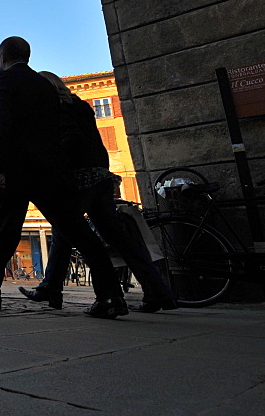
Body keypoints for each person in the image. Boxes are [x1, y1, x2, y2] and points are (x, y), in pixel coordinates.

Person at [0, 37, 127, 317]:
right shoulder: (45, 85)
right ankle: (111, 296)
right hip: (50, 170)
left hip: (16, 170)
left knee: (3, 231)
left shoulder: (1, 80)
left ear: (2, 56)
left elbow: (1, 124)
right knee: (77, 231)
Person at [19, 72, 176, 312]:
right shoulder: (80, 106)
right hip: (101, 177)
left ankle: (59, 288)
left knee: (68, 230)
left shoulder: (58, 108)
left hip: (81, 179)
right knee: (117, 239)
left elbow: (70, 140)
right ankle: (159, 293)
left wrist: (57, 164)